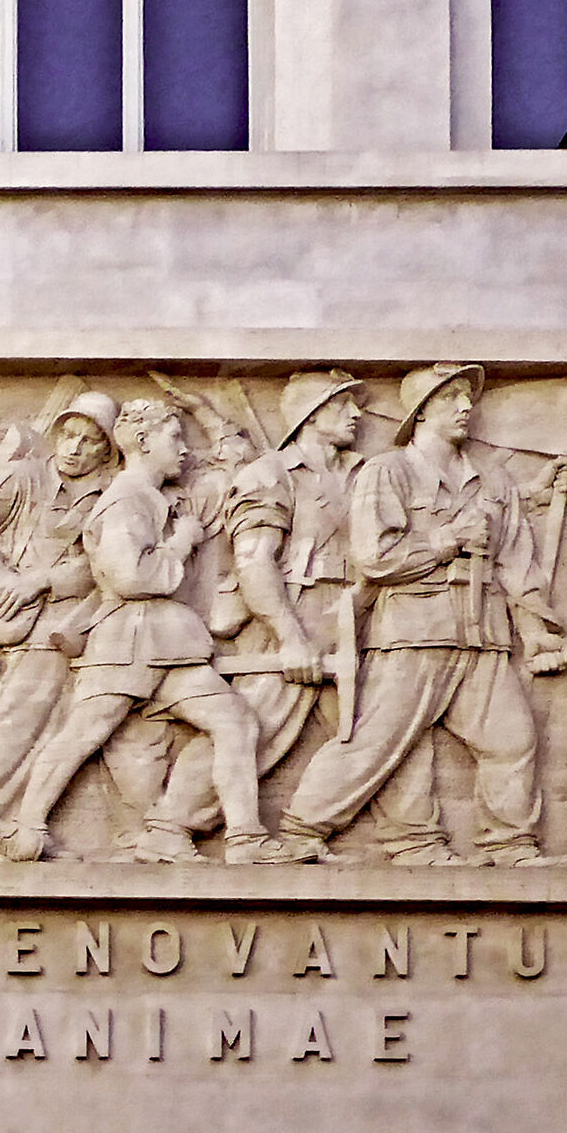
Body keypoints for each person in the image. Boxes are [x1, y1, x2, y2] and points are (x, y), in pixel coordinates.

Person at [272, 364, 567, 866]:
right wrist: (447, 539)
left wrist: (536, 631)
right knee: (377, 741)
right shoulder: (387, 471)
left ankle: (510, 845)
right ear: (420, 413)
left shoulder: (494, 480)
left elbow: (516, 562)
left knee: (512, 739)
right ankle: (301, 830)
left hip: (482, 634)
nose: (466, 408)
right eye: (450, 399)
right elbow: (373, 556)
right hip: (412, 632)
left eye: (468, 399)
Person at [0, 400, 288, 864]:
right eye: (175, 439)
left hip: (166, 642)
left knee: (235, 721)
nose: (184, 451)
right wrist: (181, 543)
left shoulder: (153, 497)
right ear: (144, 443)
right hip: (129, 638)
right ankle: (26, 828)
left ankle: (245, 837)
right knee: (84, 734)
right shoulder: (127, 499)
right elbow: (130, 577)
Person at [123, 369, 365, 861]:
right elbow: (255, 561)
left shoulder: (361, 472)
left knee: (367, 729)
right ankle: (171, 825)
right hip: (293, 611)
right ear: (313, 416)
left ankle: (403, 838)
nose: (357, 414)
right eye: (342, 405)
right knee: (254, 721)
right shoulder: (270, 474)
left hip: (353, 615)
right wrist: (289, 635)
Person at [0, 392, 116, 819]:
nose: (74, 448)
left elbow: (109, 561)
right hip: (21, 626)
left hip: (74, 624)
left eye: (90, 441)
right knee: (16, 724)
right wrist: (2, 582)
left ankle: (19, 824)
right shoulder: (19, 478)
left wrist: (44, 581)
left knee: (59, 730)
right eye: (69, 435)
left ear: (107, 449)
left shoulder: (109, 496)